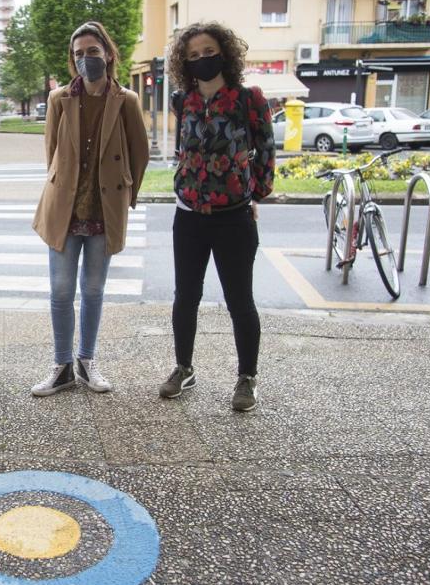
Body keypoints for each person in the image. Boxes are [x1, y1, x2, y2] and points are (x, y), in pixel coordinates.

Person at [158, 21, 276, 411]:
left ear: (224, 53)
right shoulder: (183, 100)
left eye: (208, 52)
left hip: (234, 216)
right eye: (192, 56)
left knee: (239, 299)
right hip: (188, 214)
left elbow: (266, 150)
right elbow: (183, 150)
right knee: (185, 297)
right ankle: (184, 367)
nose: (202, 60)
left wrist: (254, 194)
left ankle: (247, 378)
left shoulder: (248, 98)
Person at [31, 21, 149, 396]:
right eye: (78, 54)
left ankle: (86, 361)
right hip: (64, 209)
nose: (86, 60)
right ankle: (62, 366)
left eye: (92, 52)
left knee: (93, 290)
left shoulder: (126, 100)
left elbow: (139, 154)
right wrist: (63, 185)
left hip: (104, 209)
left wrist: (125, 197)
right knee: (61, 291)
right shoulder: (58, 99)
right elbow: (51, 152)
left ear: (108, 55)